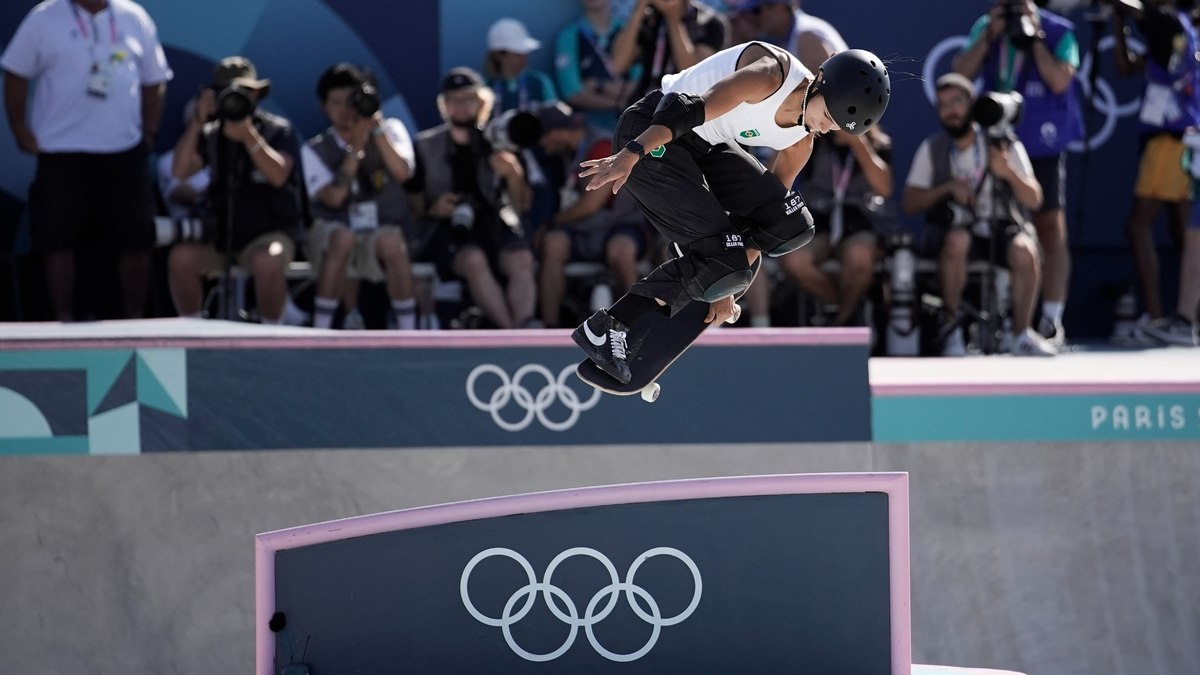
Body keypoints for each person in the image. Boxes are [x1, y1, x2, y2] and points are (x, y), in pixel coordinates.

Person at [573, 41, 891, 383]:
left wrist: (732, 284)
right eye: (828, 116)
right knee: (724, 262)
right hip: (653, 131)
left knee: (792, 222)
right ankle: (609, 325)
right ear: (820, 83)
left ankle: (708, 260)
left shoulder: (801, 141)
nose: (826, 128)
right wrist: (632, 152)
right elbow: (687, 109)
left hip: (702, 149)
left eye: (836, 127)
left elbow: (765, 218)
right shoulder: (769, 75)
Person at [2, 0, 172, 321]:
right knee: (56, 239)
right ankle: (62, 321)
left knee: (135, 239)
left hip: (124, 150)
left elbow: (155, 79)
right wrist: (20, 130)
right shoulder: (44, 18)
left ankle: (134, 322)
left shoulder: (134, 17)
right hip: (61, 151)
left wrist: (148, 132)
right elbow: (15, 74)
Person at [953, 0, 1083, 346]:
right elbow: (960, 75)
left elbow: (1059, 81)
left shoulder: (1060, 31)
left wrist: (1035, 37)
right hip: (998, 139)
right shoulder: (988, 25)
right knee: (999, 224)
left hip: (1043, 141)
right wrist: (988, 37)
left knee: (1050, 229)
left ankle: (1052, 319)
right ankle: (1005, 319)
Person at [901, 73, 1056, 357]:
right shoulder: (932, 148)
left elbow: (1035, 198)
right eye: (943, 104)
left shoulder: (1002, 143)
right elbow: (910, 203)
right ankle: (951, 330)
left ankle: (1021, 334)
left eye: (957, 102)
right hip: (959, 232)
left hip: (1000, 228)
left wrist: (1008, 172)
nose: (951, 111)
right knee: (956, 240)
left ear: (971, 104)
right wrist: (945, 188)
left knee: (1025, 249)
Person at [167, 56, 303, 324]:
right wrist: (197, 122)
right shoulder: (211, 134)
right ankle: (193, 331)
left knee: (268, 261)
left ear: (255, 93)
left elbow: (278, 176)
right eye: (228, 92)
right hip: (222, 237)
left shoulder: (277, 131)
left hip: (267, 234)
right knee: (181, 258)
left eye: (244, 91)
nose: (237, 98)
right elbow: (179, 171)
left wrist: (248, 135)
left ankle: (271, 335)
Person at [409, 67, 537, 329]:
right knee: (473, 260)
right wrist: (434, 208)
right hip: (446, 230)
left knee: (521, 257)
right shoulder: (424, 145)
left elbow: (522, 205)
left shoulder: (501, 139)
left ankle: (523, 328)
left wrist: (513, 174)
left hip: (493, 223)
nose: (461, 107)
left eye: (469, 99)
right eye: (453, 100)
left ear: (483, 102)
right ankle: (510, 334)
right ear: (443, 105)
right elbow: (412, 203)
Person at [300, 63, 422, 330]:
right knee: (342, 237)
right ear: (323, 106)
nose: (345, 111)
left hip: (379, 232)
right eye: (336, 103)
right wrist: (355, 148)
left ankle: (408, 331)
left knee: (391, 240)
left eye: (351, 101)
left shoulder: (391, 130)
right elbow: (333, 199)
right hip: (333, 232)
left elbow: (403, 174)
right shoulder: (314, 149)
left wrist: (375, 131)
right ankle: (322, 329)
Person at [1111, 0, 1200, 343]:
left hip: (1169, 139)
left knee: (1139, 224)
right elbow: (1124, 67)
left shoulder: (1166, 20)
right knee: (1185, 232)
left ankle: (1159, 317)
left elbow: (1127, 4)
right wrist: (1119, 25)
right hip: (1177, 140)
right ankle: (1181, 319)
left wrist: (1115, 8)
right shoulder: (1175, 31)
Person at [533, 102, 649, 327]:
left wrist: (551, 222)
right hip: (582, 231)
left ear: (556, 132)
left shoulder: (601, 146)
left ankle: (638, 325)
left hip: (618, 224)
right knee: (553, 243)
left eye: (543, 137)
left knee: (621, 249)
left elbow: (590, 205)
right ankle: (550, 327)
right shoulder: (566, 152)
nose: (541, 144)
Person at [781, 125, 894, 327]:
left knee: (860, 256)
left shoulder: (879, 144)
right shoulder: (815, 140)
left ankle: (839, 323)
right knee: (794, 260)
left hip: (857, 222)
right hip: (819, 222)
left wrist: (857, 143)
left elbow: (884, 189)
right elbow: (779, 171)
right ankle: (846, 307)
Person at [610, 0, 729, 106]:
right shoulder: (649, 17)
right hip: (644, 104)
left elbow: (692, 71)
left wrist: (673, 20)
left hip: (683, 111)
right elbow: (618, 65)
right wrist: (638, 11)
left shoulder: (709, 22)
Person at [555, 0, 639, 133]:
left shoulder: (628, 32)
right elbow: (573, 94)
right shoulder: (569, 35)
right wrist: (619, 103)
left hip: (631, 128)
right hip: (589, 130)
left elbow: (639, 86)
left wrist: (599, 85)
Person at [736, 0, 848, 72]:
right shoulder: (794, 36)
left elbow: (828, 88)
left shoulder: (805, 36)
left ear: (779, 6)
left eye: (756, 11)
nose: (755, 18)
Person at [484, 18, 559, 113]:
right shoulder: (485, 88)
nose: (523, 58)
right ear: (498, 55)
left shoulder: (540, 82)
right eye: (516, 53)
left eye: (525, 52)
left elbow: (555, 117)